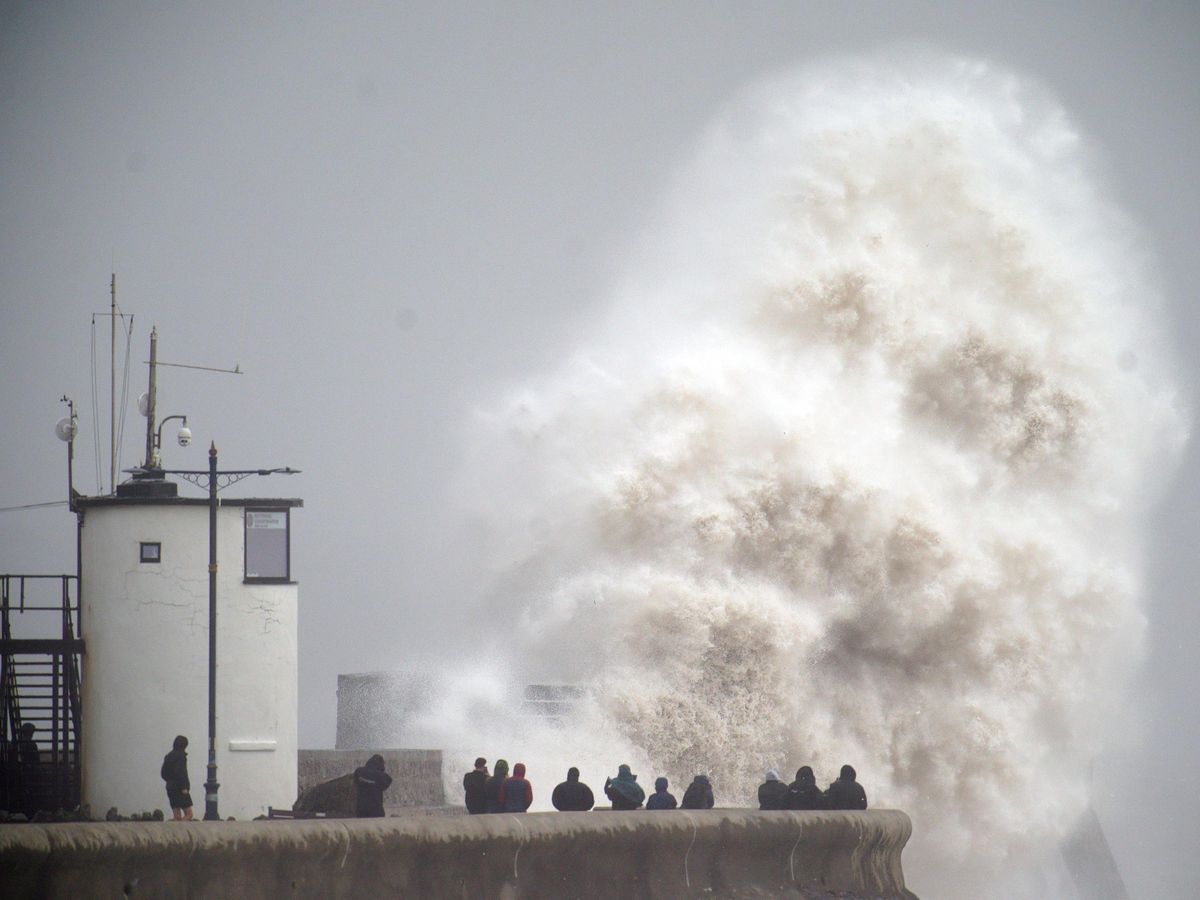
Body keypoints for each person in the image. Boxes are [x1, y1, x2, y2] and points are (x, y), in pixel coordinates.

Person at [160, 735, 193, 821]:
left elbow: (163, 773)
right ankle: (181, 831)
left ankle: (176, 828)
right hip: (180, 788)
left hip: (170, 787)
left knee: (176, 816)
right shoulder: (181, 756)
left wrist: (170, 781)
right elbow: (181, 772)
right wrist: (184, 787)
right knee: (189, 814)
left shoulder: (168, 756)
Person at [352, 753, 393, 817]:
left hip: (361, 811)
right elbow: (388, 782)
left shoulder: (359, 771)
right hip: (376, 812)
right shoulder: (382, 776)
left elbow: (355, 782)